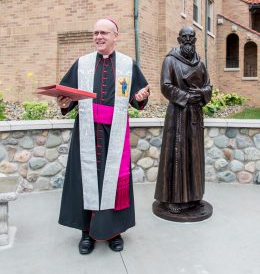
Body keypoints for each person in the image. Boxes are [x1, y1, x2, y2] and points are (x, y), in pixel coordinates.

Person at [56, 18, 150, 254]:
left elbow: (138, 97)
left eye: (103, 33)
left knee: (114, 182)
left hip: (114, 135)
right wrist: (64, 102)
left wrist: (139, 99)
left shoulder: (128, 65)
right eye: (95, 33)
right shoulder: (83, 63)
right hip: (87, 132)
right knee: (86, 181)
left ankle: (114, 232)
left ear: (115, 36)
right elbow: (67, 95)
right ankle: (86, 233)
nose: (98, 36)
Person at [154, 26, 212, 215]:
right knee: (177, 155)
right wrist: (187, 97)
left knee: (194, 154)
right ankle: (174, 198)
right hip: (178, 115)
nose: (188, 40)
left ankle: (194, 196)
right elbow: (165, 86)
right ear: (179, 39)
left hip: (195, 114)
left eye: (191, 37)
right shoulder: (170, 61)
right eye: (184, 37)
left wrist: (201, 94)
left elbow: (208, 85)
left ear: (195, 40)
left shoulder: (200, 64)